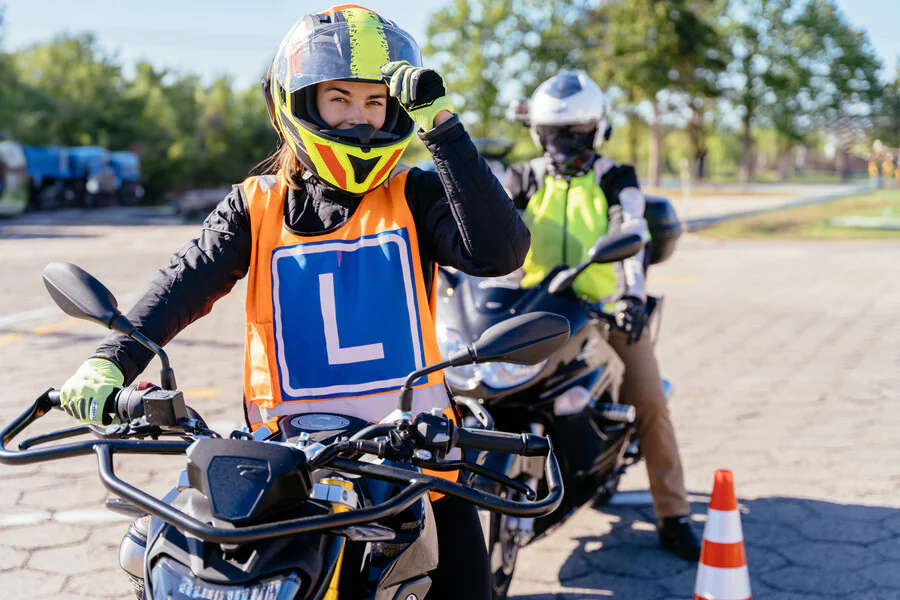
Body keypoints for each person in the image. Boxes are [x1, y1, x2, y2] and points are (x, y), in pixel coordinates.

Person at [58, 6, 530, 597]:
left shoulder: (414, 192)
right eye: (339, 99)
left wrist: (442, 126)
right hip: (285, 470)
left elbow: (501, 251)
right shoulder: (254, 205)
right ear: (296, 104)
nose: (359, 120)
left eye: (376, 103)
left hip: (414, 462)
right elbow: (181, 283)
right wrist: (110, 361)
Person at [504, 72, 701, 561]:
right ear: (538, 132)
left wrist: (632, 298)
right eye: (554, 132)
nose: (564, 143)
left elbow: (632, 232)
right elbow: (491, 232)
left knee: (650, 399)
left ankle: (674, 515)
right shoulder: (524, 177)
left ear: (596, 131)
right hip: (533, 311)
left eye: (576, 132)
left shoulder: (617, 178)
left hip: (603, 312)